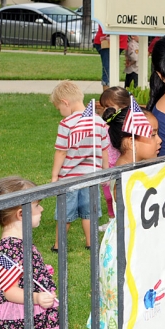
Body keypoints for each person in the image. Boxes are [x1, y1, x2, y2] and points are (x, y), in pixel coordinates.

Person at [86, 106, 161, 329]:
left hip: (138, 243)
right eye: (153, 134)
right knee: (123, 310)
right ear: (130, 142)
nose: (159, 140)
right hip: (125, 249)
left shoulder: (143, 169)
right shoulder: (124, 175)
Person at [0, 177, 59, 329]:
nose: (42, 209)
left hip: (31, 313)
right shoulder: (10, 249)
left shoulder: (18, 243)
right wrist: (37, 298)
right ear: (21, 214)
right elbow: (9, 291)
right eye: (37, 205)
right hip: (20, 318)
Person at [50, 81, 109, 252]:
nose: (60, 113)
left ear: (65, 102)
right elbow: (104, 149)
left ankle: (58, 245)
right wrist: (105, 169)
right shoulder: (98, 121)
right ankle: (91, 243)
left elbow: (61, 152)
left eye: (59, 108)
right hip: (92, 176)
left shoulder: (66, 124)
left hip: (69, 178)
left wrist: (55, 176)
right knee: (89, 213)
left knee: (64, 214)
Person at [97, 86, 131, 232]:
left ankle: (122, 219)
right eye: (104, 107)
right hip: (107, 164)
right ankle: (112, 219)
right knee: (108, 195)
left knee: (120, 194)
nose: (106, 110)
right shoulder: (105, 124)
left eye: (109, 107)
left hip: (121, 164)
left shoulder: (125, 124)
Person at [93, 26, 128, 91]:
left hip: (118, 41)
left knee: (111, 68)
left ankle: (110, 93)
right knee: (108, 68)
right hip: (107, 41)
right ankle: (107, 95)